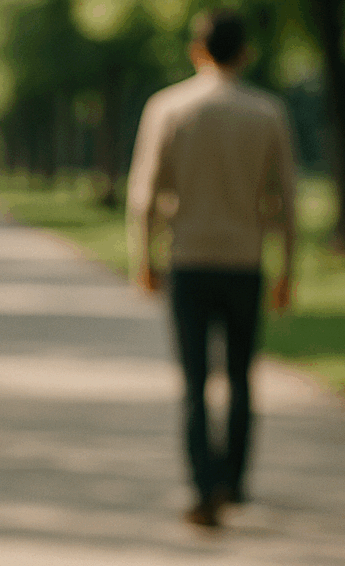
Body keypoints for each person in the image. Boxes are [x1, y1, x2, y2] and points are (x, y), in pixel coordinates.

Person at [126, 9, 297, 528]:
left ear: (197, 51)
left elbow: (144, 196)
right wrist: (288, 268)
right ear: (245, 53)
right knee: (243, 377)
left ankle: (203, 484)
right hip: (245, 262)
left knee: (195, 380)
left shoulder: (169, 108)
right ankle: (236, 482)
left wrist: (144, 259)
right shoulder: (267, 113)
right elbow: (286, 200)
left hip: (190, 261)